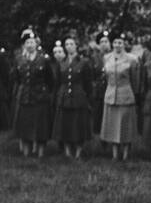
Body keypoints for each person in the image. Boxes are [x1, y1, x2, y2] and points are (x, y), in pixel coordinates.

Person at [13, 29, 55, 158]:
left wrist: (46, 93)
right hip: (25, 97)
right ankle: (26, 153)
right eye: (27, 42)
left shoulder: (44, 60)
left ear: (36, 44)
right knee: (25, 126)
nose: (30, 45)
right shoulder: (20, 60)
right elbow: (17, 78)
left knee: (40, 126)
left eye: (32, 42)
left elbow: (50, 80)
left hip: (40, 98)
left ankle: (40, 153)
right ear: (24, 45)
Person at [52, 34, 95, 159]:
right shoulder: (62, 63)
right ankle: (67, 151)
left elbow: (88, 83)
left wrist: (86, 97)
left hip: (78, 97)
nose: (69, 47)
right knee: (65, 124)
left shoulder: (83, 62)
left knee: (78, 124)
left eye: (71, 44)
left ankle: (78, 151)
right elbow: (58, 82)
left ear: (76, 46)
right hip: (64, 96)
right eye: (67, 44)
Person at [100, 31, 141, 161]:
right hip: (111, 95)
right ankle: (114, 154)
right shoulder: (106, 58)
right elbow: (105, 77)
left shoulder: (132, 59)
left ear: (124, 44)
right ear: (112, 44)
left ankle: (126, 154)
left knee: (126, 126)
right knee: (112, 125)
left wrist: (134, 93)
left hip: (126, 95)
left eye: (120, 43)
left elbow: (135, 80)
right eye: (115, 42)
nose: (118, 45)